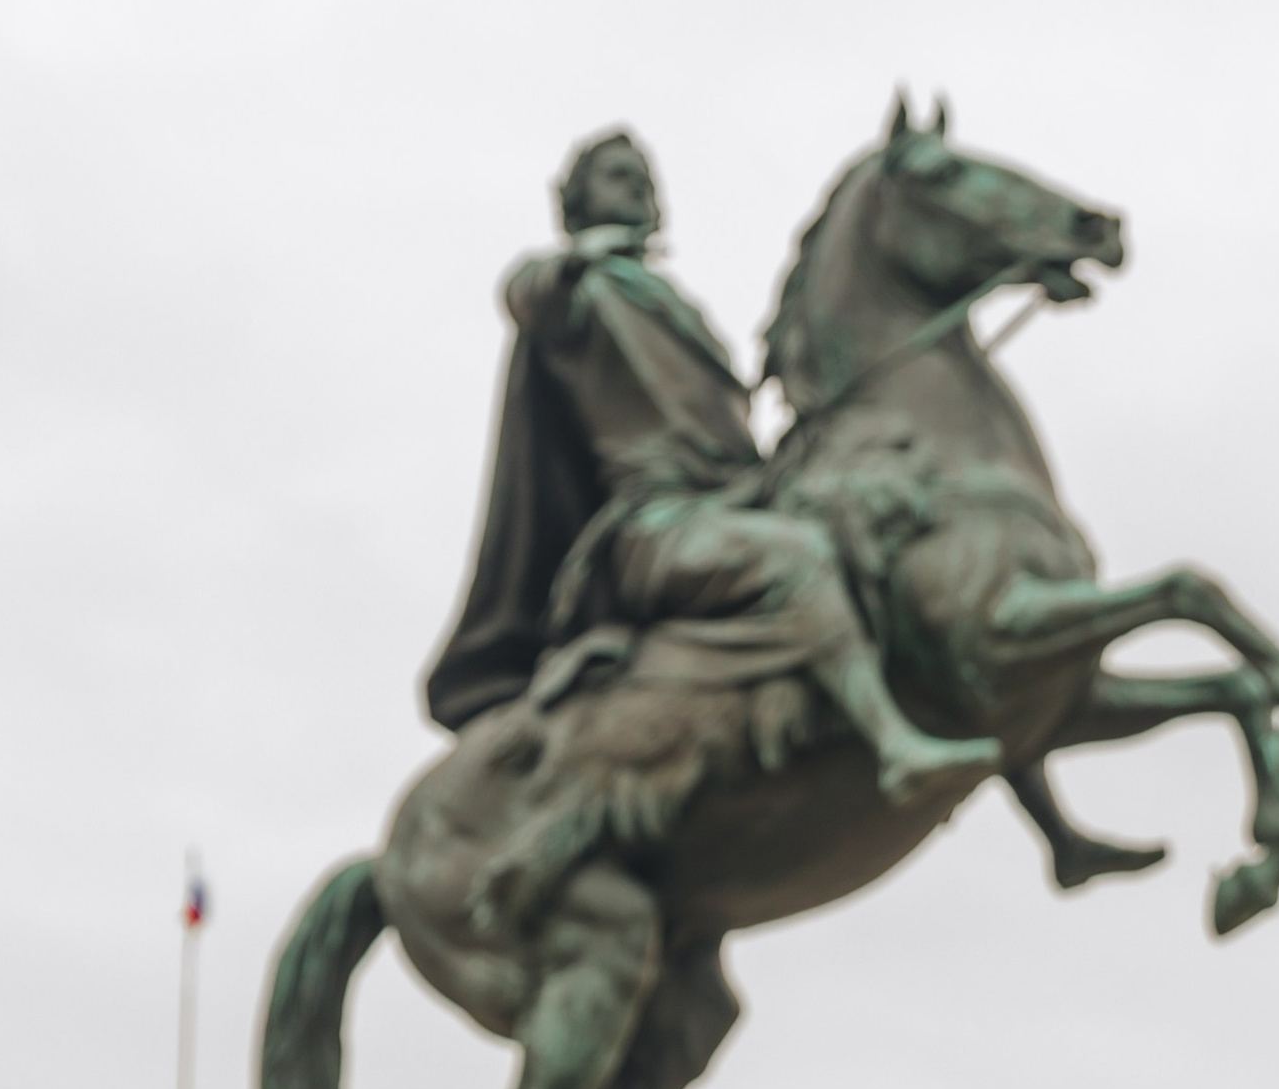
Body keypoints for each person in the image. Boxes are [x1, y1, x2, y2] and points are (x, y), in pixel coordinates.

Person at [425, 127, 1002, 813]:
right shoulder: (579, 286)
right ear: (575, 202)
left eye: (645, 177)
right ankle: (894, 745)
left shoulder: (669, 301)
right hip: (654, 525)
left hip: (733, 498)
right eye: (617, 177)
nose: (640, 189)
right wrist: (582, 255)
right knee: (794, 556)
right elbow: (529, 294)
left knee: (888, 539)